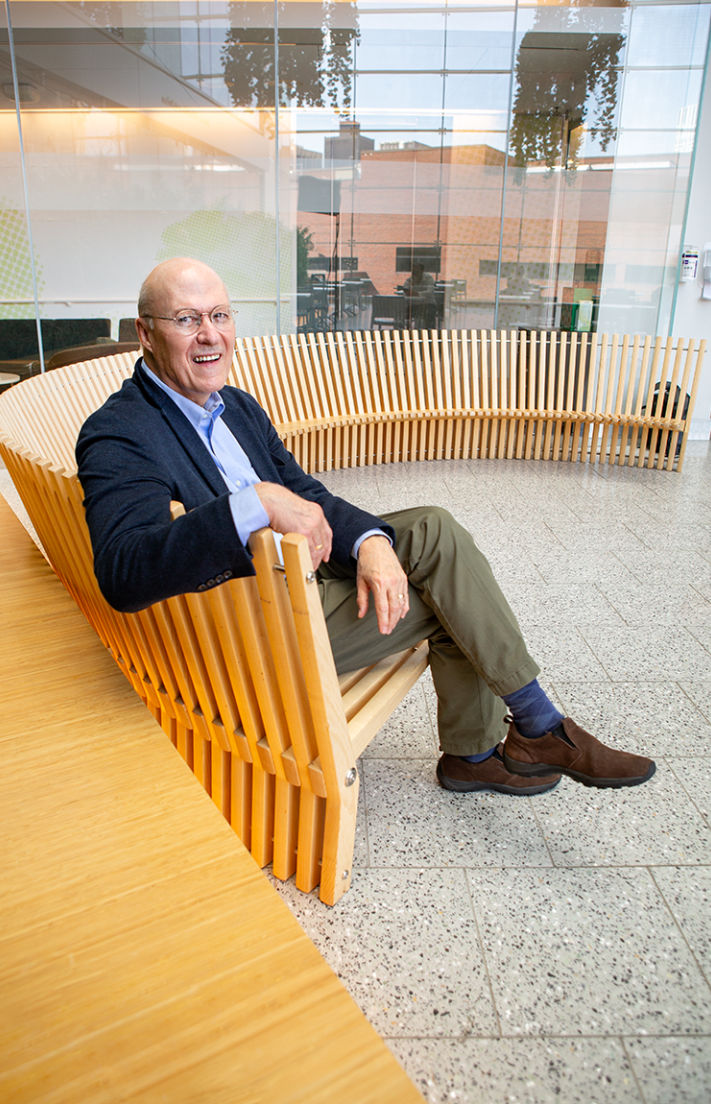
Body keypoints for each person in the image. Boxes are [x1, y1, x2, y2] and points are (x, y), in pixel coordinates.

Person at [76, 258, 656, 796]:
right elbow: (125, 571)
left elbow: (308, 494)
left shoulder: (237, 407)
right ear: (146, 333)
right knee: (457, 592)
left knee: (433, 531)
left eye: (220, 316)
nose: (210, 335)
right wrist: (254, 502)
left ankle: (511, 738)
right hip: (254, 624)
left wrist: (372, 541)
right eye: (187, 320)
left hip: (302, 584)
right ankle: (506, 740)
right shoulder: (123, 431)